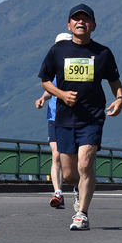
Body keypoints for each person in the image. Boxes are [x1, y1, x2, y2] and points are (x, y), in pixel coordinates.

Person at [38, 4, 122, 230]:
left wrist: (120, 99)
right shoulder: (57, 51)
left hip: (92, 117)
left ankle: (82, 214)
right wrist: (61, 94)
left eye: (86, 20)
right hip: (65, 118)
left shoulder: (103, 52)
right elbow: (45, 80)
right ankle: (79, 188)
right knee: (69, 174)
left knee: (85, 163)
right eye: (76, 19)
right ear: (69, 25)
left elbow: (114, 80)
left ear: (93, 26)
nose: (80, 22)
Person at [35, 32, 77, 210]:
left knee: (75, 158)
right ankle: (58, 192)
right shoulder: (54, 65)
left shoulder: (74, 67)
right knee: (56, 154)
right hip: (54, 116)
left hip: (73, 117)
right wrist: (43, 98)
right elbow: (49, 87)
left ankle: (77, 187)